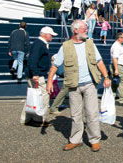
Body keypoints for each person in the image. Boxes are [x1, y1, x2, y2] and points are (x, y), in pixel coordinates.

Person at [46, 20, 111, 152]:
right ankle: (76, 140)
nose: (87, 30)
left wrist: (106, 76)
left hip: (89, 84)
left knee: (92, 113)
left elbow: (99, 62)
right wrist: (48, 82)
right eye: (84, 28)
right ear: (76, 30)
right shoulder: (65, 46)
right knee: (75, 115)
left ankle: (94, 140)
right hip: (73, 85)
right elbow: (55, 66)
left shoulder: (90, 44)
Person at [20, 26, 57, 126]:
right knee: (43, 95)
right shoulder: (40, 44)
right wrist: (35, 73)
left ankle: (26, 118)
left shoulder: (38, 43)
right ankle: (39, 119)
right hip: (37, 74)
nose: (52, 37)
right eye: (51, 35)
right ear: (45, 35)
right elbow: (33, 60)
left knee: (32, 96)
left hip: (35, 73)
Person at [110, 31, 123, 106]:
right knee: (121, 82)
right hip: (118, 65)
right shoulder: (116, 46)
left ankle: (111, 97)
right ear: (119, 38)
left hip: (117, 65)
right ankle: (122, 100)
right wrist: (116, 69)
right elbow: (115, 58)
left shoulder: (117, 45)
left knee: (115, 83)